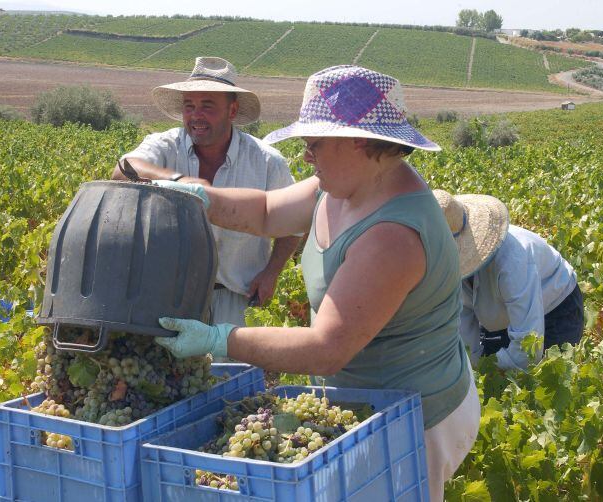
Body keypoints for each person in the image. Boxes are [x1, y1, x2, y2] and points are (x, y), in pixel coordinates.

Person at [152, 65, 481, 500]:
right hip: (364, 407)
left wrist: (217, 338)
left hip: (416, 420)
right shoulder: (342, 185)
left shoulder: (393, 235)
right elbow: (267, 212)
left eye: (314, 144)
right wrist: (200, 196)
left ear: (358, 140)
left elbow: (326, 348)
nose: (306, 156)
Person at [112, 57, 301, 327]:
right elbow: (122, 169)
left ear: (232, 111)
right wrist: (179, 180)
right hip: (168, 299)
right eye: (189, 107)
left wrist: (272, 273)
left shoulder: (267, 162)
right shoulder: (164, 146)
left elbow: (292, 226)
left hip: (237, 299)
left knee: (229, 369)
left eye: (207, 106)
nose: (196, 115)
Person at [433, 190, 585, 371]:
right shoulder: (449, 267)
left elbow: (529, 345)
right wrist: (471, 370)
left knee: (541, 378)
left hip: (554, 311)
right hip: (500, 316)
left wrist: (488, 371)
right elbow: (463, 328)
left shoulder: (513, 261)